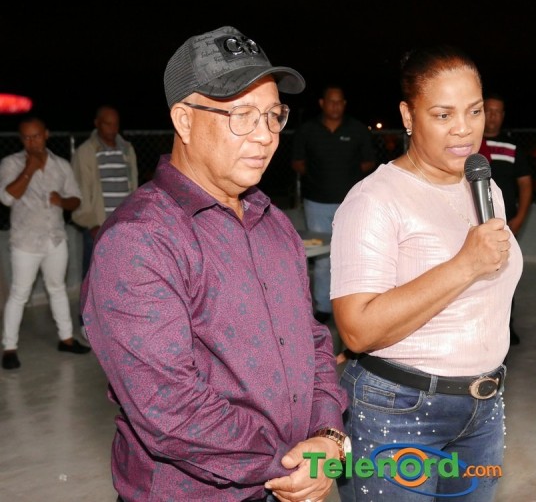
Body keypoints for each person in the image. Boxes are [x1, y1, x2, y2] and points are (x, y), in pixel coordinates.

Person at [81, 25, 348, 501]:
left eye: (273, 116)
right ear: (184, 121)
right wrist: (289, 464)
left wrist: (327, 437)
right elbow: (169, 406)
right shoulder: (139, 240)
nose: (265, 136)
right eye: (242, 115)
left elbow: (311, 339)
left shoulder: (273, 222)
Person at [330, 45, 523, 501]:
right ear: (408, 115)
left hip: (483, 407)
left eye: (474, 110)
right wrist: (464, 265)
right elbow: (356, 329)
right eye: (443, 114)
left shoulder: (486, 187)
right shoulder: (375, 198)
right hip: (398, 410)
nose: (464, 128)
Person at [1, 116, 88, 370]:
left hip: (55, 239)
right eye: (27, 137)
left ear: (46, 134)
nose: (32, 142)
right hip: (25, 241)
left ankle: (66, 339)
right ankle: (9, 347)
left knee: (57, 289)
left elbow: (76, 199)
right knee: (19, 293)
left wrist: (62, 200)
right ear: (21, 139)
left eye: (36, 136)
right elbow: (7, 198)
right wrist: (29, 169)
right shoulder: (11, 163)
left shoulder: (61, 165)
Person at [291, 84, 376, 323]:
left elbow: (369, 161)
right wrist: (318, 176)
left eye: (340, 101)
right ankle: (323, 308)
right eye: (331, 101)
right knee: (321, 259)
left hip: (350, 204)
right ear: (322, 103)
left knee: (352, 255)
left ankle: (353, 308)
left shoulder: (357, 129)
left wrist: (346, 175)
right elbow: (297, 162)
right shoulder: (307, 130)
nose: (335, 106)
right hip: (316, 203)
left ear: (344, 104)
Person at [480, 93, 533, 345]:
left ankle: (506, 326)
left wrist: (520, 217)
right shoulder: (468, 143)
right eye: (487, 110)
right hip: (472, 224)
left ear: (503, 116)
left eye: (497, 111)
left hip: (504, 225)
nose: (492, 116)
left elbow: (525, 185)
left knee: (504, 274)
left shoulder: (512, 148)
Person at [70, 105, 138, 280]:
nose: (113, 129)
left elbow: (133, 186)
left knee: (125, 277)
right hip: (98, 226)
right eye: (107, 124)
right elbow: (80, 189)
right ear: (97, 123)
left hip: (124, 225)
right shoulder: (86, 152)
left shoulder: (127, 149)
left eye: (116, 124)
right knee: (94, 278)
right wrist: (91, 224)